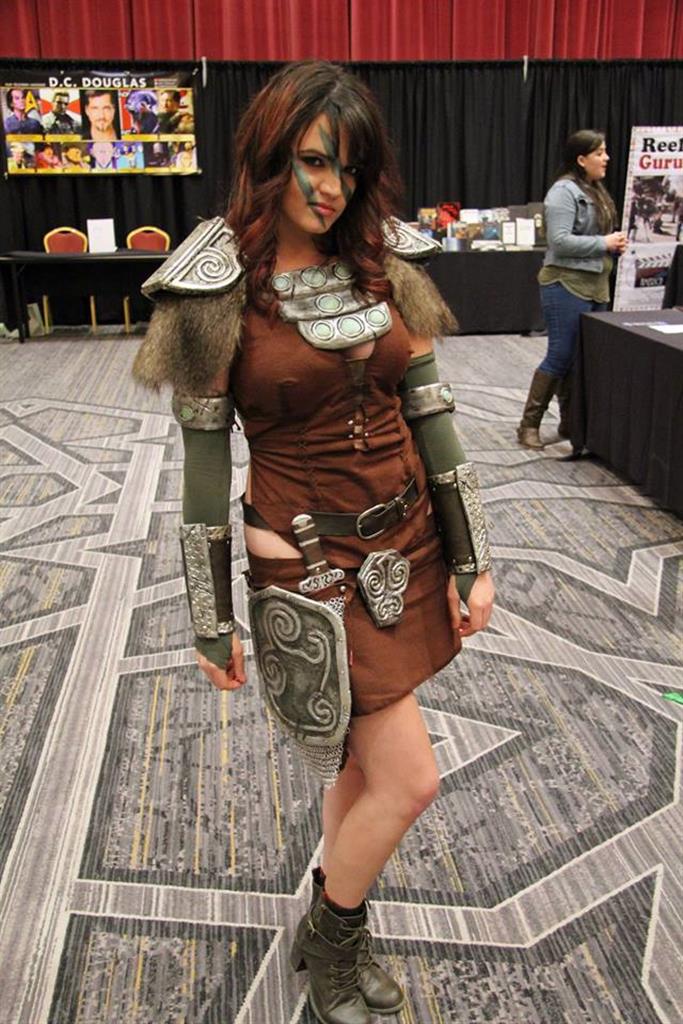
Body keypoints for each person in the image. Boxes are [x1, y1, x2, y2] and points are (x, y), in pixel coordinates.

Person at [133, 60, 494, 1024]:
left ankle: (337, 920)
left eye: (347, 166)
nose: (330, 187)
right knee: (410, 779)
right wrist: (210, 619)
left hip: (406, 546)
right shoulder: (214, 295)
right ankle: (333, 938)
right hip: (308, 566)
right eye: (312, 161)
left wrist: (470, 557)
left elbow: (433, 419)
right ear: (267, 157)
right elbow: (202, 478)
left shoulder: (382, 265)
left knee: (360, 768)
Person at [517, 130, 627, 448]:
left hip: (596, 285)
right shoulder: (563, 192)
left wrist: (614, 245)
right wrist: (603, 243)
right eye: (599, 153)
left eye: (605, 152)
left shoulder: (596, 190)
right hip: (565, 284)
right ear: (581, 159)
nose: (606, 158)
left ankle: (570, 424)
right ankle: (528, 426)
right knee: (560, 355)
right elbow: (560, 241)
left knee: (581, 359)